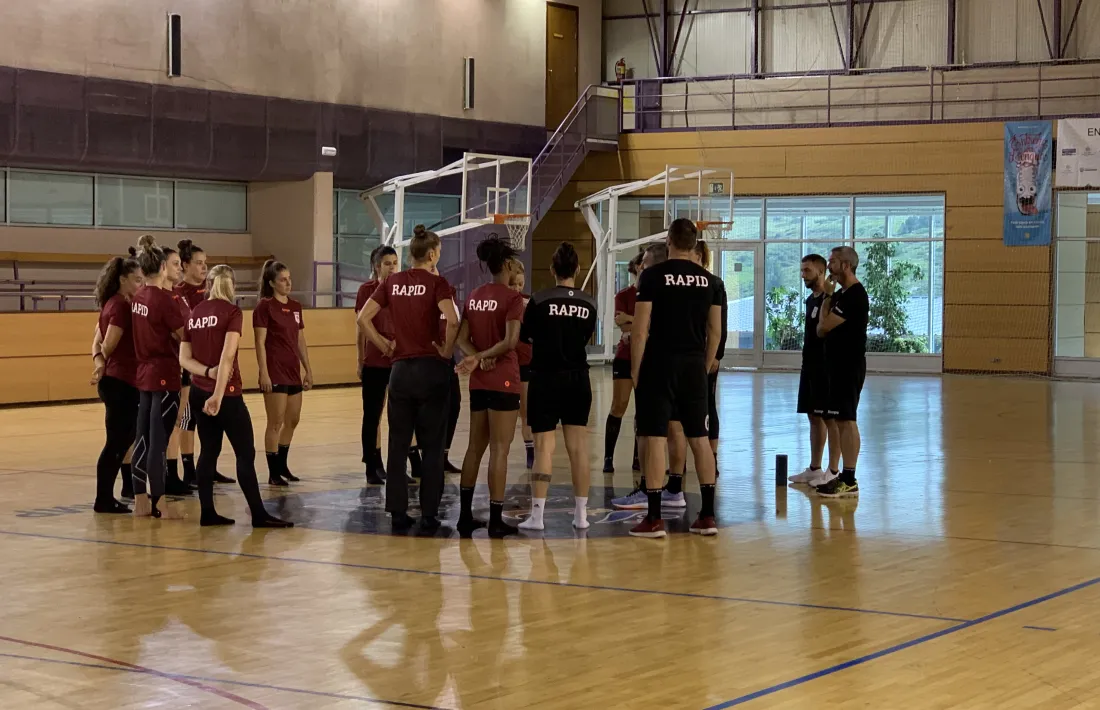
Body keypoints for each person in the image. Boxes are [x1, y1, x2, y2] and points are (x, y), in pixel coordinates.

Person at [358, 225, 459, 533]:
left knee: (398, 444)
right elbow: (453, 319)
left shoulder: (392, 282)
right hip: (431, 369)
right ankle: (429, 514)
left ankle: (398, 513)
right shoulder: (438, 283)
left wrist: (383, 344)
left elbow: (363, 317)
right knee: (431, 445)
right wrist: (446, 349)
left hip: (400, 371)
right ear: (432, 254)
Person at [179, 265, 293, 528]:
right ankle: (258, 514)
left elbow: (184, 359)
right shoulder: (231, 312)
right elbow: (227, 356)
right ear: (230, 285)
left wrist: (206, 373)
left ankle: (207, 512)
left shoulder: (194, 313)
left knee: (208, 451)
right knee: (245, 454)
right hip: (226, 395)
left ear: (208, 284)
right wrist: (218, 394)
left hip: (198, 391)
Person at [629, 219, 722, 538]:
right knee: (699, 437)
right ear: (694, 244)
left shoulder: (652, 275)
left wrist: (636, 370)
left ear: (669, 240)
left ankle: (654, 519)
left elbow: (640, 329)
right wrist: (703, 364)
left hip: (659, 363)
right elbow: (715, 331)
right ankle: (708, 515)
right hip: (694, 365)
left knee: (653, 437)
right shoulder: (711, 281)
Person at [516, 242, 598, 532]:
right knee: (578, 449)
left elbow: (526, 338)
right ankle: (581, 515)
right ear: (577, 269)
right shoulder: (590, 303)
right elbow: (586, 337)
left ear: (552, 269)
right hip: (578, 379)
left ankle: (537, 517)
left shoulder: (538, 300)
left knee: (543, 450)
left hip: (544, 377)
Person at [453, 237, 524, 537]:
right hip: (505, 378)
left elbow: (460, 338)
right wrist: (485, 357)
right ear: (507, 265)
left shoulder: (474, 295)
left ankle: (465, 517)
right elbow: (510, 342)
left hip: (480, 381)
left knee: (474, 447)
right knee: (500, 450)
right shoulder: (512, 298)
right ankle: (496, 519)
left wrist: (476, 358)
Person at [129, 235, 187, 520]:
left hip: (144, 374)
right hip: (164, 373)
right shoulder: (164, 300)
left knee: (142, 437)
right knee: (158, 441)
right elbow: (183, 335)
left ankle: (140, 497)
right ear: (163, 267)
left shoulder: (138, 297)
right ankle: (159, 502)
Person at [814, 246, 869, 498]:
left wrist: (827, 297)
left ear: (846, 265)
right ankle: (843, 476)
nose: (829, 266)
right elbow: (819, 330)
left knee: (847, 419)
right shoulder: (840, 295)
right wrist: (828, 296)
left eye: (833, 261)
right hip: (835, 365)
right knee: (839, 419)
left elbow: (824, 327)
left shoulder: (855, 295)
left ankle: (849, 478)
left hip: (849, 365)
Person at [90, 254, 143, 514]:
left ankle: (114, 493)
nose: (139, 286)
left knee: (122, 441)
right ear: (122, 280)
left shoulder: (110, 303)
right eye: (136, 280)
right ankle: (103, 499)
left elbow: (97, 343)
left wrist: (99, 361)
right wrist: (103, 359)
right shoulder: (121, 306)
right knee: (116, 443)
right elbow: (107, 343)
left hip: (119, 380)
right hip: (120, 382)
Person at [254, 259, 314, 485]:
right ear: (272, 283)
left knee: (293, 420)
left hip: (292, 371)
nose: (288, 283)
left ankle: (282, 465)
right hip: (275, 370)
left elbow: (300, 339)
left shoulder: (296, 307)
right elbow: (260, 342)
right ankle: (272, 472)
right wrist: (264, 373)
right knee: (275, 422)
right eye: (283, 280)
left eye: (289, 279)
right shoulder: (264, 307)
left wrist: (307, 369)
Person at [788, 254, 841, 486]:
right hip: (809, 364)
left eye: (807, 271)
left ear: (821, 271)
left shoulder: (834, 299)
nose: (803, 275)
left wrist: (829, 295)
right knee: (813, 416)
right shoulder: (810, 300)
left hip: (826, 367)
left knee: (830, 418)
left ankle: (834, 470)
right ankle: (814, 468)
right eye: (801, 271)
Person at [356, 246, 399, 485]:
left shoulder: (401, 290)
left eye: (395, 262)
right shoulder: (367, 291)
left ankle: (393, 464)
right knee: (372, 415)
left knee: (398, 415)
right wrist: (359, 359)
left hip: (398, 360)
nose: (392, 267)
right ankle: (371, 464)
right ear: (376, 266)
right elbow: (361, 326)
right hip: (374, 359)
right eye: (387, 263)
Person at [603, 251, 644, 475]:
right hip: (625, 357)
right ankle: (608, 457)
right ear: (637, 266)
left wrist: (632, 320)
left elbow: (651, 326)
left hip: (648, 358)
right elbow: (625, 327)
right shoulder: (624, 295)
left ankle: (638, 457)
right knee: (619, 405)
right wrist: (639, 323)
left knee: (643, 410)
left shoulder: (656, 294)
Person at [509, 260, 535, 470]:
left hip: (526, 363)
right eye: (512, 285)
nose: (516, 289)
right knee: (508, 411)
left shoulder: (529, 303)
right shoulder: (501, 303)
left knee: (526, 410)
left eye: (519, 284)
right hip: (506, 364)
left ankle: (530, 450)